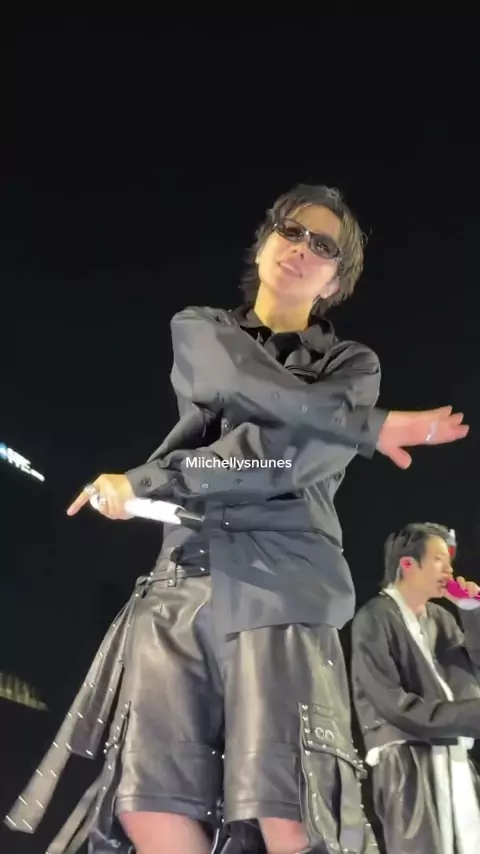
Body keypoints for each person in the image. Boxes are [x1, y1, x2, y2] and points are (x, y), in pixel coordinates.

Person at [5, 185, 469, 854]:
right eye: (291, 230)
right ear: (264, 242)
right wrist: (361, 426)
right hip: (179, 581)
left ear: (335, 280)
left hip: (283, 584)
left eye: (323, 245)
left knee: (290, 807)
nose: (301, 248)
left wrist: (153, 478)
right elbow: (243, 386)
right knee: (149, 803)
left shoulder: (352, 366)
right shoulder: (201, 328)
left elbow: (281, 462)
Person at [351, 523, 480, 854]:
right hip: (406, 762)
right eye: (438, 559)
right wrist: (470, 715)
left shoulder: (442, 619)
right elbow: (392, 704)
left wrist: (471, 612)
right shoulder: (374, 618)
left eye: (449, 561)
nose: (449, 569)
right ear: (408, 564)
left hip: (454, 759)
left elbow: (472, 676)